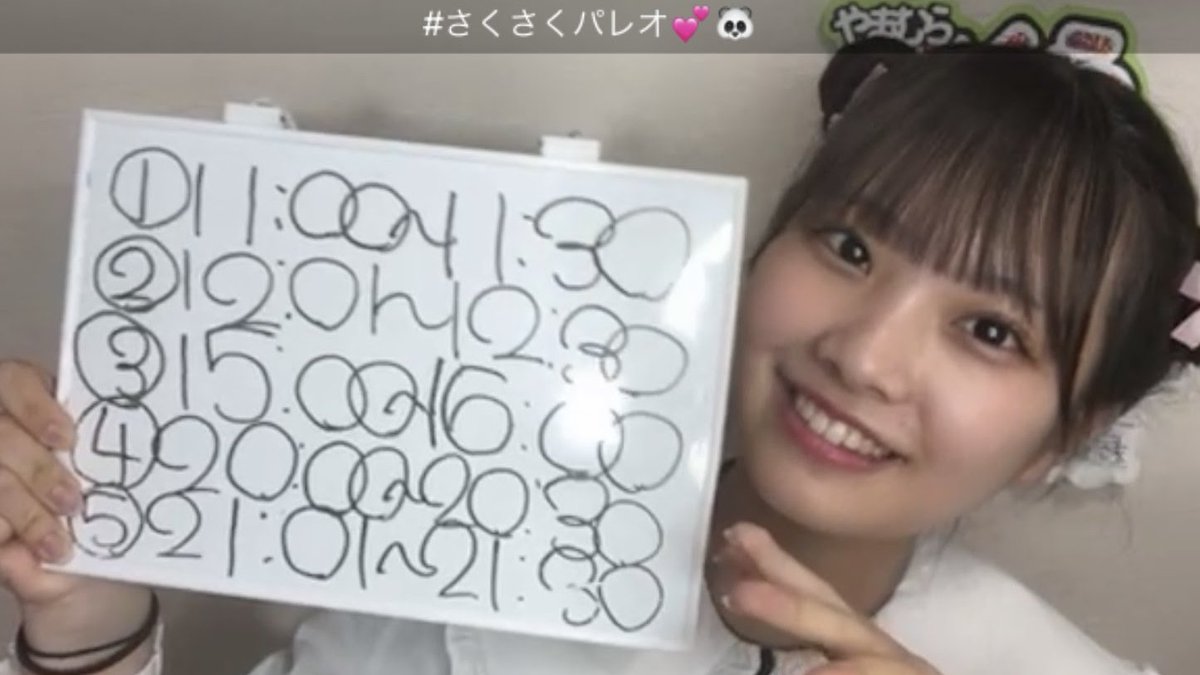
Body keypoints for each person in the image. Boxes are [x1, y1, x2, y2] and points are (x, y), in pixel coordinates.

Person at [0, 40, 1196, 675]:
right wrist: (87, 621)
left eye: (991, 331)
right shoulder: (482, 529)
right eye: (848, 245)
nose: (864, 354)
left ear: (1071, 431)